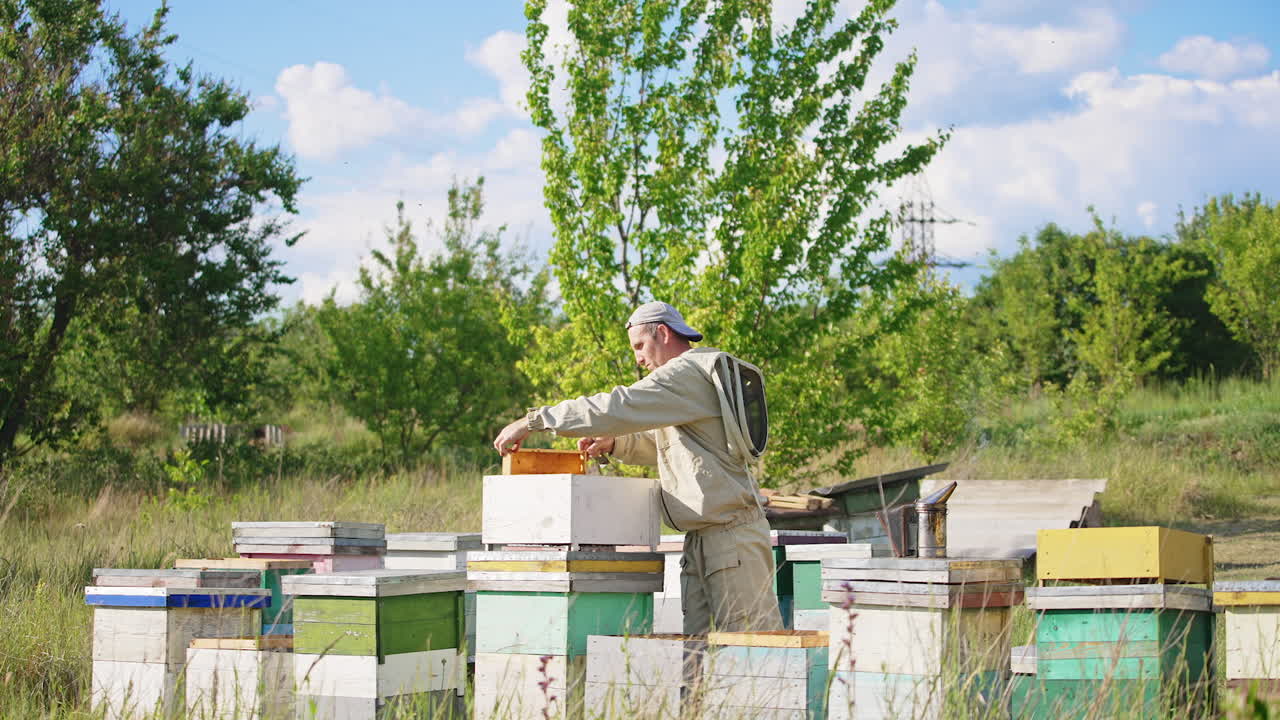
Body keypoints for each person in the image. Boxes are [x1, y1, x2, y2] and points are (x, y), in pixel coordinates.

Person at [493, 301, 783, 635]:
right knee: (696, 657)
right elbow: (670, 447)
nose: (638, 358)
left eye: (640, 346)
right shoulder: (681, 391)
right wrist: (615, 444)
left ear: (662, 332)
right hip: (704, 538)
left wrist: (537, 419)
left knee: (752, 652)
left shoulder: (685, 373)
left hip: (730, 536)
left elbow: (617, 406)